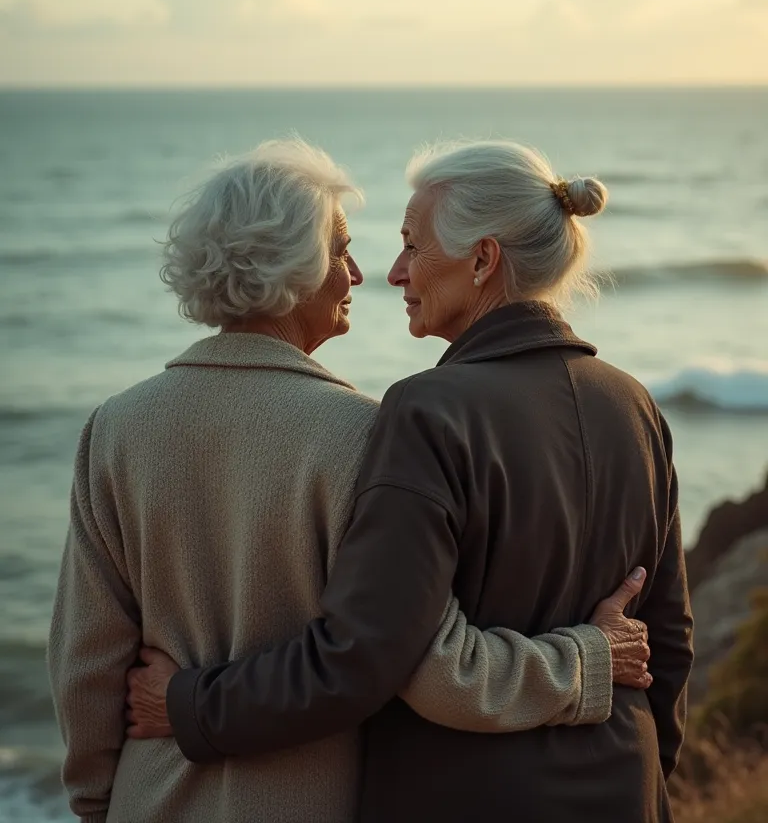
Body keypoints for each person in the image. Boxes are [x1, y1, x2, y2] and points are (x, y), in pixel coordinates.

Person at [49, 140, 652, 823]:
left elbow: (86, 662)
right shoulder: (367, 435)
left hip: (149, 797)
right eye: (341, 252)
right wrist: (591, 663)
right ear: (293, 269)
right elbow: (418, 663)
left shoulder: (115, 429)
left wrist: (99, 803)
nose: (361, 274)